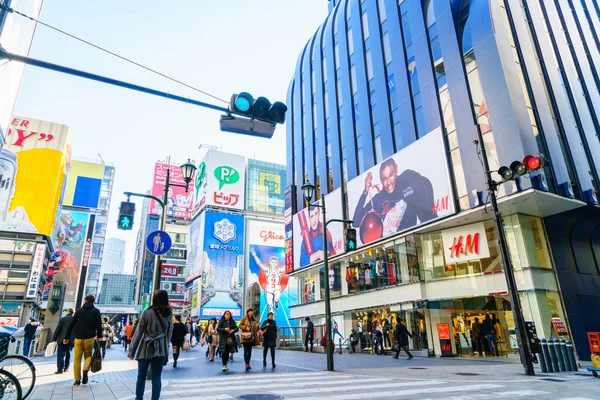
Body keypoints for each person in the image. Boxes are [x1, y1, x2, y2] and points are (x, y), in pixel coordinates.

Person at [352, 159, 437, 239]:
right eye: (384, 179)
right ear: (381, 180)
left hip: (411, 243)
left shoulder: (406, 181)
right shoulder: (378, 199)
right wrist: (365, 192)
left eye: (391, 175)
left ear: (396, 169)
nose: (388, 182)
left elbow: (424, 187)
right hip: (389, 248)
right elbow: (356, 222)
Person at [128, 290, 173, 400]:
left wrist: (131, 351)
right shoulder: (169, 314)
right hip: (161, 348)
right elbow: (169, 334)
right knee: (157, 378)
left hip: (146, 347)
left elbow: (138, 333)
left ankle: (139, 398)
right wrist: (166, 351)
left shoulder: (147, 312)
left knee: (141, 376)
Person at [64, 295, 102, 386]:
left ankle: (77, 380)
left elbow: (72, 324)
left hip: (78, 337)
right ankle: (85, 370)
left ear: (85, 301)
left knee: (77, 359)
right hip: (90, 337)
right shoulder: (96, 311)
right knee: (88, 356)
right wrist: (99, 336)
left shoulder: (79, 311)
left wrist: (66, 336)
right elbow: (98, 325)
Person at [250, 248, 285, 313]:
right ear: (270, 263)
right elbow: (259, 264)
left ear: (277, 263)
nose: (274, 264)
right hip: (269, 288)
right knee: (269, 304)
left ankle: (276, 301)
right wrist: (254, 255)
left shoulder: (279, 270)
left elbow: (286, 266)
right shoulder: (267, 270)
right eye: (272, 262)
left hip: (276, 288)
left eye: (275, 262)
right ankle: (271, 312)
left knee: (276, 297)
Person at [53, 308, 74, 374]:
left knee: (60, 354)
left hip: (61, 339)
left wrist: (54, 338)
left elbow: (58, 329)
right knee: (68, 353)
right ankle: (66, 368)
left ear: (68, 312)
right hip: (70, 340)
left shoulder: (63, 319)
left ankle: (60, 369)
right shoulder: (74, 319)